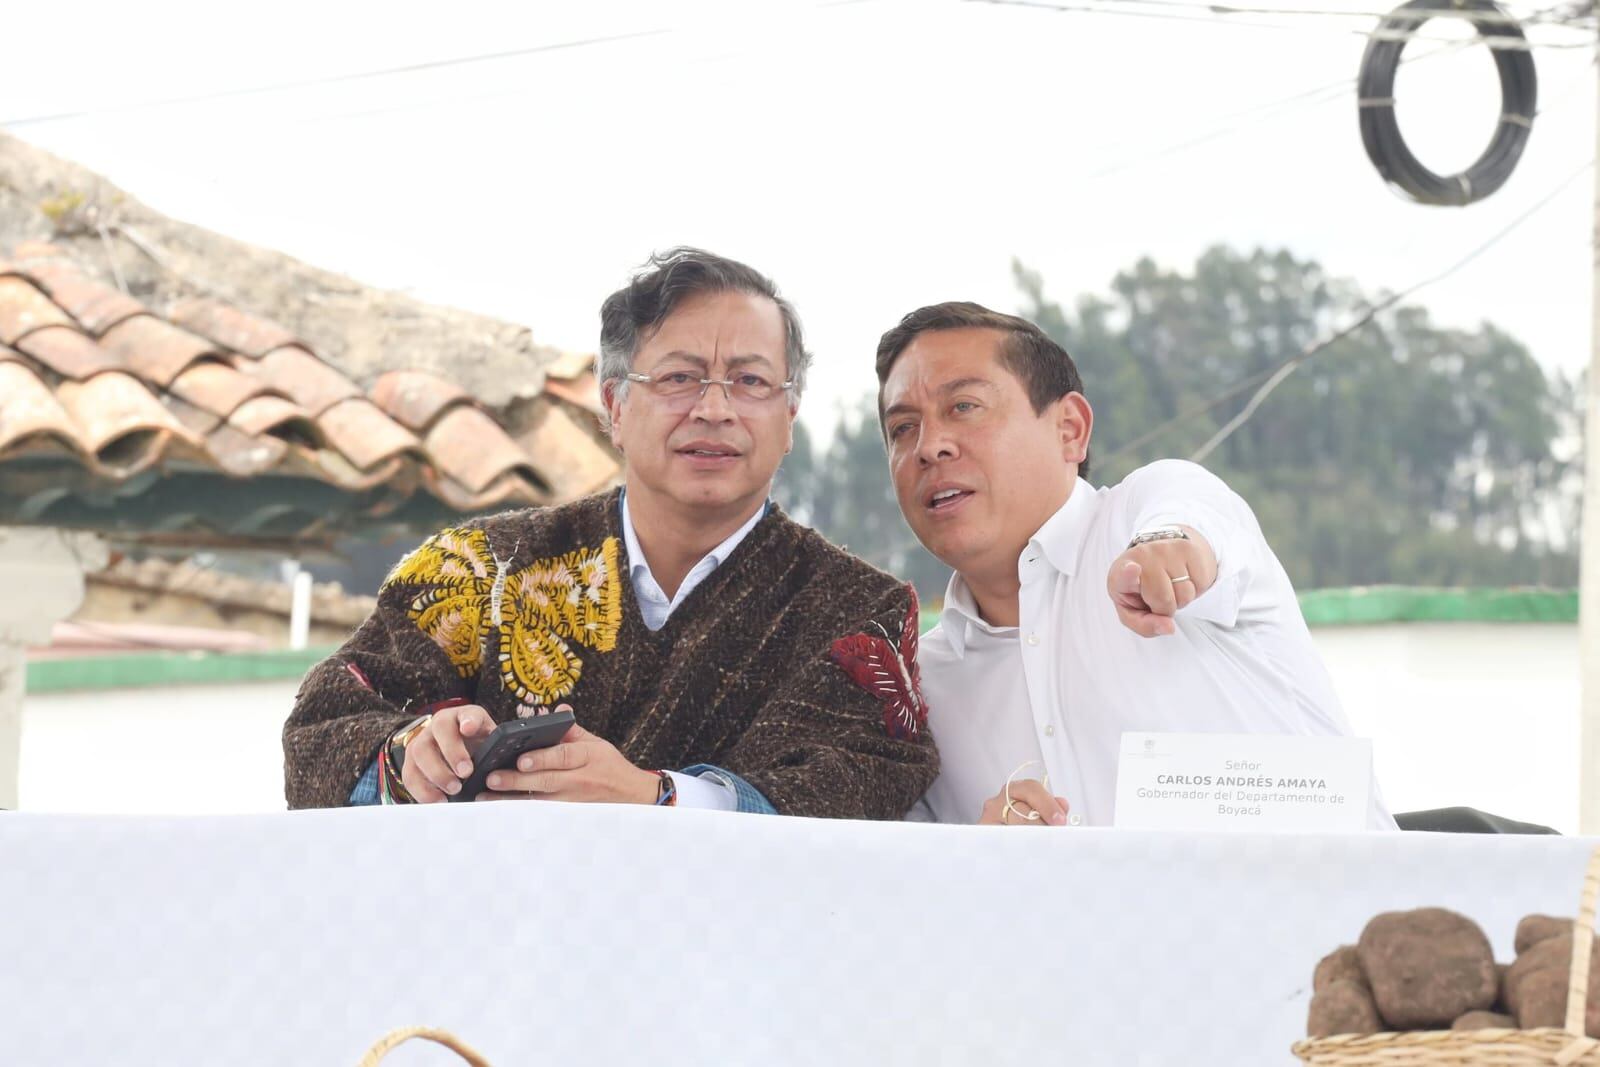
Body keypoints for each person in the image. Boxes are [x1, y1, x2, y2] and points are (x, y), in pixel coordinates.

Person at [283, 248, 937, 818]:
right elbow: (320, 730)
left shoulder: (858, 615)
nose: (715, 408)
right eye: (680, 378)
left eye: (751, 381)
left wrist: (658, 797)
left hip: (741, 955)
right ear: (615, 406)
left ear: (789, 414)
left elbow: (860, 784)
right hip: (498, 948)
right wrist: (410, 756)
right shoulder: (479, 570)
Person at [873, 301, 1393, 829]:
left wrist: (1170, 553)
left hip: (1354, 905)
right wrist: (986, 858)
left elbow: (1188, 522)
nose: (929, 446)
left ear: (1070, 430)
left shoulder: (1148, 507)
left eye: (964, 406)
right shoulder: (922, 691)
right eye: (902, 429)